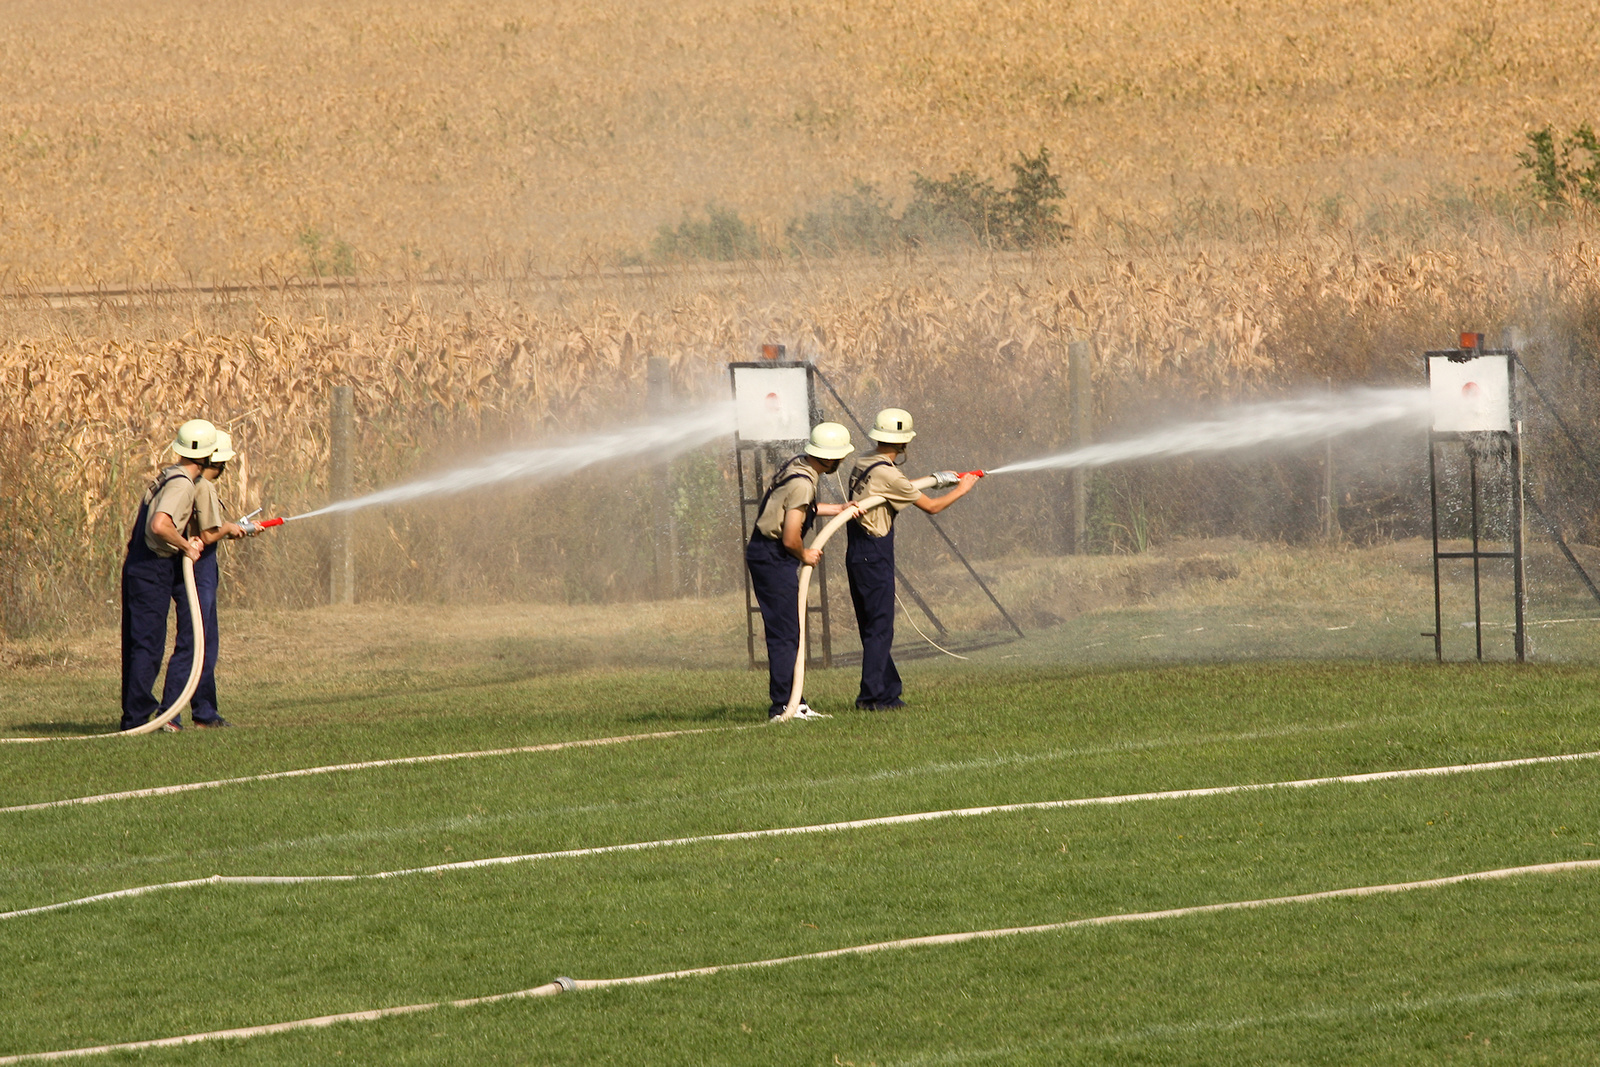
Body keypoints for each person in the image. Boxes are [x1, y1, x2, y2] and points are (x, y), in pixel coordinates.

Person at [844, 408, 980, 711]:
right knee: (880, 627)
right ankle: (871, 698)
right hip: (874, 554)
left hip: (857, 552)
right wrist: (962, 489)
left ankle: (887, 692)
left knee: (873, 627)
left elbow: (898, 486)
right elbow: (931, 507)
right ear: (904, 442)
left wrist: (937, 478)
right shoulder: (889, 472)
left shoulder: (866, 460)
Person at [745, 422, 856, 721]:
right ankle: (784, 706)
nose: (842, 462)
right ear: (830, 458)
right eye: (841, 457)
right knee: (785, 633)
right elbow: (791, 536)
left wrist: (840, 508)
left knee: (789, 630)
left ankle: (796, 703)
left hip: (767, 553)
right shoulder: (804, 482)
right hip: (773, 555)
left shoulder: (798, 464)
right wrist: (804, 554)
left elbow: (799, 507)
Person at [120, 419, 214, 732]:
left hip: (141, 563)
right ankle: (136, 721)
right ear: (206, 457)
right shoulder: (183, 484)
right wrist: (187, 545)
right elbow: (161, 524)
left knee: (139, 644)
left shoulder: (167, 475)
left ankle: (135, 716)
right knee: (148, 645)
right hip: (152, 567)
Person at [161, 430, 250, 729]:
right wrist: (230, 529)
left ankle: (205, 711)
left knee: (205, 642)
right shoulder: (205, 488)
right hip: (199, 570)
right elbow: (209, 533)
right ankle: (170, 715)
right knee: (194, 643)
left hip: (194, 567)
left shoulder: (188, 482)